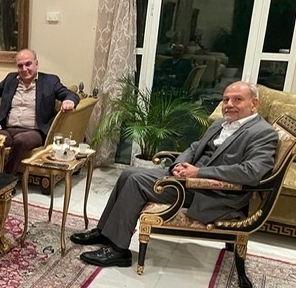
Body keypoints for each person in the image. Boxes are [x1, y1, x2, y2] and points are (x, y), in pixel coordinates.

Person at [71, 81, 277, 268]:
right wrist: (178, 165)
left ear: (254, 104)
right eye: (226, 100)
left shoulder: (262, 133)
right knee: (128, 173)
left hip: (212, 192)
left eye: (237, 100)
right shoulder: (220, 124)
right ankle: (105, 233)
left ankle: (118, 251)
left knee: (136, 181)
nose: (229, 104)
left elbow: (251, 172)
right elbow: (195, 147)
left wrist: (199, 172)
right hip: (190, 179)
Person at [0, 48, 80, 174]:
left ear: (36, 64)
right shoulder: (11, 79)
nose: (24, 69)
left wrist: (69, 101)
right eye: (20, 66)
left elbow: (70, 94)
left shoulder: (50, 81)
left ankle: (6, 178)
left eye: (28, 64)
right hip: (8, 130)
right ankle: (1, 178)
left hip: (34, 132)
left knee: (20, 140)